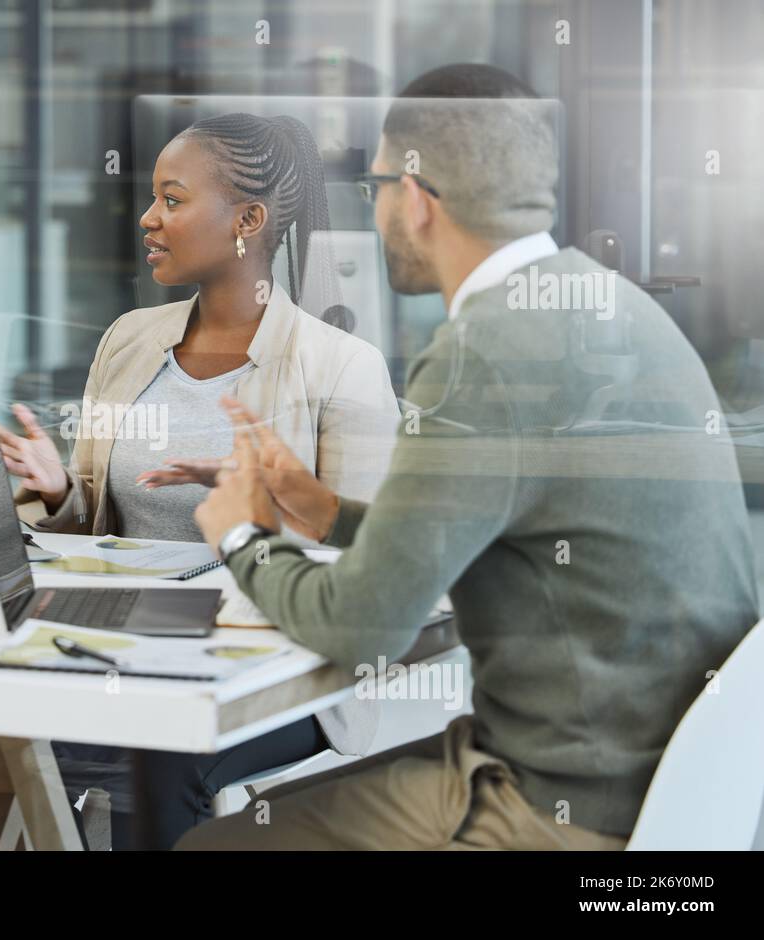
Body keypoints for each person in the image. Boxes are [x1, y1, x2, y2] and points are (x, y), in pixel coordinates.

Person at [181, 63, 759, 850]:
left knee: (221, 844)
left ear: (415, 198)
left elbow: (362, 628)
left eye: (379, 184)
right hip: (671, 793)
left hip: (568, 809)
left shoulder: (481, 353)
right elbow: (496, 516)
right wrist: (325, 511)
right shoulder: (612, 304)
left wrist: (240, 536)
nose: (377, 206)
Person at [0, 113, 400, 848]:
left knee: (160, 755)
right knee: (13, 732)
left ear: (248, 219)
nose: (149, 219)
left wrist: (267, 505)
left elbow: (368, 563)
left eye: (173, 200)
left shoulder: (343, 367)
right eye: (152, 199)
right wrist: (59, 492)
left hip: (285, 667)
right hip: (125, 645)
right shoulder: (129, 341)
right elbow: (99, 526)